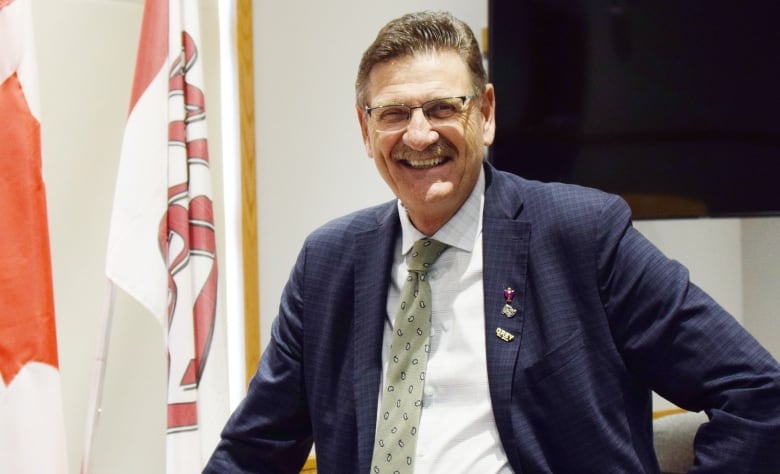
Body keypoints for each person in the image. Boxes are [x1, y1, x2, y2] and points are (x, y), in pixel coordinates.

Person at [204, 11, 780, 473]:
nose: (419, 133)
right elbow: (252, 452)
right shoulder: (328, 263)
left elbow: (757, 395)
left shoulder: (581, 234)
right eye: (394, 113)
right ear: (366, 130)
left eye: (442, 108)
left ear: (485, 113)